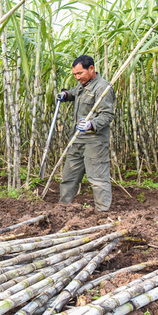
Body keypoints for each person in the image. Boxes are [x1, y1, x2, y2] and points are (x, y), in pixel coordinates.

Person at [56, 55, 115, 212]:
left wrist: (91, 124)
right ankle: (63, 209)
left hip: (94, 141)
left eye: (80, 73)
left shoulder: (103, 88)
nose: (77, 77)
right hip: (77, 139)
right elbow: (75, 92)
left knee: (97, 178)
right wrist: (66, 95)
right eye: (74, 74)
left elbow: (107, 115)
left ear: (91, 68)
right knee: (69, 176)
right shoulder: (83, 84)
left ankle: (102, 212)